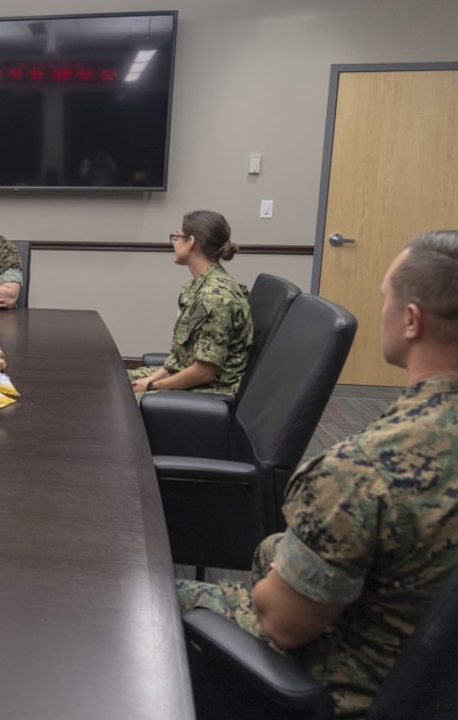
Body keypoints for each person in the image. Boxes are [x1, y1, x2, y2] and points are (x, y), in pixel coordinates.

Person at [178, 230, 458, 718]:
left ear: (411, 321)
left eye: (386, 299)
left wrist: (275, 561)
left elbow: (282, 622)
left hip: (343, 686)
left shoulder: (366, 469)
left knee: (148, 603)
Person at [128, 210, 252, 396]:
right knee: (113, 381)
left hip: (206, 391)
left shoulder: (214, 298)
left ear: (191, 241)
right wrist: (151, 379)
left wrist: (152, 387)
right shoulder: (201, 285)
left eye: (177, 236)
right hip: (184, 377)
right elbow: (182, 356)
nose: (174, 242)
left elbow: (204, 373)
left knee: (117, 400)